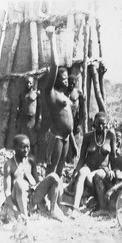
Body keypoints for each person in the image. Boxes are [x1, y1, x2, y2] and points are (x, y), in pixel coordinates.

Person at [0, 134, 64, 223]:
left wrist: (40, 189)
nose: (26, 150)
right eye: (23, 147)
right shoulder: (9, 165)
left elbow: (36, 183)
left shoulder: (31, 160)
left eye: (28, 147)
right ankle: (25, 219)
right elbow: (7, 192)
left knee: (54, 177)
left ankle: (52, 211)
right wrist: (15, 211)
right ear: (15, 147)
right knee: (20, 183)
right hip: (16, 201)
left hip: (30, 198)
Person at [44, 26, 78, 177]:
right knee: (52, 171)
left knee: (60, 170)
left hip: (65, 138)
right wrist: (52, 39)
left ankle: (54, 201)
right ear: (55, 80)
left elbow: (68, 123)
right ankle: (42, 199)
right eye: (63, 77)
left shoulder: (65, 96)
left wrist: (74, 144)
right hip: (57, 137)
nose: (66, 79)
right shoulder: (51, 93)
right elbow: (55, 65)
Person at [70, 111, 116, 217]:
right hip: (89, 166)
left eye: (103, 124)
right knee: (82, 173)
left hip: (102, 168)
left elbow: (113, 157)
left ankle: (103, 208)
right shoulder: (88, 136)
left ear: (107, 123)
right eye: (98, 123)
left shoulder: (110, 135)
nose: (100, 126)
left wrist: (113, 170)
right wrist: (76, 172)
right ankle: (75, 208)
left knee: (94, 177)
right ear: (94, 123)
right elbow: (82, 158)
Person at [16, 76, 41, 157]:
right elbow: (19, 108)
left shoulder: (36, 94)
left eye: (30, 83)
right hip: (24, 120)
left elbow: (39, 108)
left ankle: (34, 158)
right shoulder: (22, 94)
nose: (28, 84)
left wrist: (38, 122)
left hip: (32, 120)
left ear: (33, 84)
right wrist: (16, 120)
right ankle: (23, 157)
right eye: (27, 83)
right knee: (23, 139)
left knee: (33, 140)